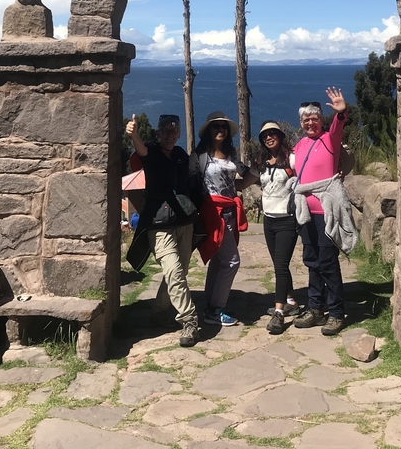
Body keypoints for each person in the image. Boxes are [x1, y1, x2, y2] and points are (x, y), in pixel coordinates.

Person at [125, 113, 200, 348]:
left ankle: (158, 313)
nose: (170, 135)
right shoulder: (153, 152)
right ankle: (189, 320)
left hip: (183, 223)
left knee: (179, 272)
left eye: (174, 131)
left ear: (179, 134)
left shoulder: (180, 155)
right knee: (174, 271)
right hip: (159, 226)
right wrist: (134, 134)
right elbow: (141, 151)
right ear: (158, 132)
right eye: (166, 130)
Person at [290, 88, 358, 335]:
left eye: (314, 118)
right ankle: (316, 308)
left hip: (326, 213)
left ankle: (337, 313)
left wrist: (341, 112)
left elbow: (339, 126)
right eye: (306, 119)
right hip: (306, 214)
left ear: (322, 120)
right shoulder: (299, 145)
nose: (310, 122)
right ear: (301, 122)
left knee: (328, 263)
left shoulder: (330, 140)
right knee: (312, 262)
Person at [189, 110, 258, 327]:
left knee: (219, 261)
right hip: (210, 213)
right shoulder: (199, 156)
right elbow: (191, 184)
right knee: (232, 261)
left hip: (229, 212)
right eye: (216, 126)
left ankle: (211, 305)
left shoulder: (231, 154)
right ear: (209, 131)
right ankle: (216, 309)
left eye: (224, 127)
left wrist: (259, 166)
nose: (220, 130)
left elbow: (245, 176)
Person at [254, 120, 301, 335]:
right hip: (269, 220)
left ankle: (279, 313)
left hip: (287, 220)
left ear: (280, 135)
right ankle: (290, 301)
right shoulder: (261, 161)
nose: (268, 137)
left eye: (272, 133)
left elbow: (307, 176)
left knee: (280, 266)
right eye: (265, 135)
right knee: (278, 263)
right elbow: (248, 180)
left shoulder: (291, 158)